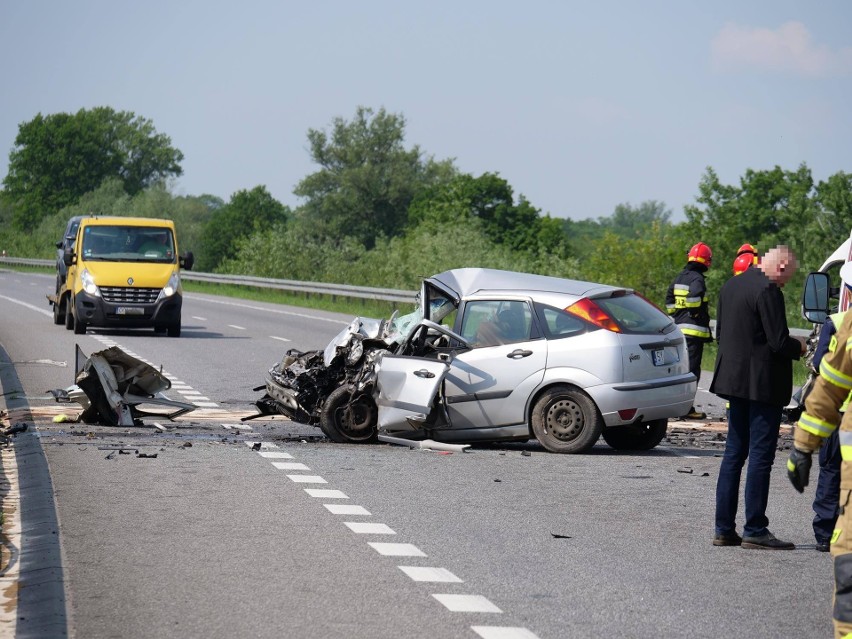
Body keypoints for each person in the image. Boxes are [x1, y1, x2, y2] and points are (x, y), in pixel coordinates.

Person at [710, 245, 806, 549]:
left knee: (733, 455)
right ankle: (755, 528)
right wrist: (801, 347)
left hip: (733, 382)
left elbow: (721, 333)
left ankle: (723, 529)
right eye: (787, 277)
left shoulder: (731, 285)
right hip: (762, 386)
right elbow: (778, 342)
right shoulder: (768, 290)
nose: (785, 283)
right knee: (760, 457)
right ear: (780, 268)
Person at [787, 307, 852, 637]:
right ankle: (824, 533)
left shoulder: (840, 322)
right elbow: (827, 380)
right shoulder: (845, 323)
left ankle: (824, 532)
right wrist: (802, 446)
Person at [666, 242, 713, 419]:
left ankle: (676, 405)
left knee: (679, 369)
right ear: (706, 261)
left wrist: (677, 314)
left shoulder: (679, 277)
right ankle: (687, 408)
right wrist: (693, 312)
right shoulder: (697, 279)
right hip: (693, 333)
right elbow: (694, 297)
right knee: (692, 371)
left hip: (678, 331)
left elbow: (669, 299)